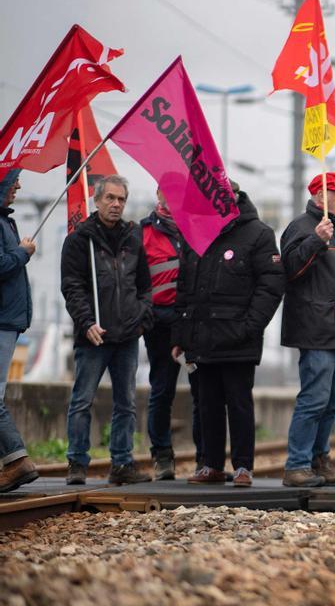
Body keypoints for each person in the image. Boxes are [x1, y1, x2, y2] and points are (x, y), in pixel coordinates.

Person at [173, 183, 284, 487]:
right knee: (206, 404)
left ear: (235, 198)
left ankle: (243, 467)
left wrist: (250, 326)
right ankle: (211, 465)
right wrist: (181, 334)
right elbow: (185, 287)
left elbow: (271, 286)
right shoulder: (197, 231)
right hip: (202, 337)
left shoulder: (259, 234)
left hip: (238, 338)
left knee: (238, 403)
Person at [61, 175, 153, 485]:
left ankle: (122, 464)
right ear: (97, 200)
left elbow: (144, 287)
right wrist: (86, 322)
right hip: (93, 336)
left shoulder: (133, 238)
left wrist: (142, 318)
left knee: (126, 403)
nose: (116, 204)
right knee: (82, 400)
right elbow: (72, 287)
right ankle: (76, 463)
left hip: (126, 335)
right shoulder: (79, 240)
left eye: (121, 199)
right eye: (110, 198)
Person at [279, 172, 335, 488]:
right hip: (315, 330)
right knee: (314, 399)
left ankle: (318, 460)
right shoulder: (302, 227)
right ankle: (297, 465)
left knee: (333, 401)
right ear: (321, 196)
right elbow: (290, 270)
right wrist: (316, 239)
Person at [141, 189, 202, 480]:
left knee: (203, 392)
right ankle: (162, 457)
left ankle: (206, 458)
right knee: (162, 390)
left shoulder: (197, 229)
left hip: (193, 324)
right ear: (158, 194)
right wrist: (145, 313)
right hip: (160, 324)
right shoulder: (143, 233)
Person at [0, 171, 38, 492]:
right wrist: (22, 253)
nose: (19, 186)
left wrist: (20, 254)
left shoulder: (5, 221)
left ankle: (16, 462)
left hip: (4, 320)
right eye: (13, 180)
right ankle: (15, 461)